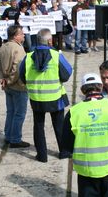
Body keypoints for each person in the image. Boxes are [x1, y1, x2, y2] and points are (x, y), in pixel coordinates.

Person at [19, 29, 72, 162]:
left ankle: (42, 155)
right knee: (59, 125)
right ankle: (64, 152)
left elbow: (22, 75)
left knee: (38, 126)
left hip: (36, 97)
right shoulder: (56, 55)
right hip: (55, 97)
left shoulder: (28, 57)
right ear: (50, 41)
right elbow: (66, 74)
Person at [0, 25, 30, 148]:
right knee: (19, 114)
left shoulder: (2, 47)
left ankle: (8, 136)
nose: (24, 35)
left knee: (10, 112)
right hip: (18, 86)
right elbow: (17, 69)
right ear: (16, 36)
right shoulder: (18, 49)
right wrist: (8, 81)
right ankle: (15, 139)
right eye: (22, 34)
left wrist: (2, 79)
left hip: (7, 86)